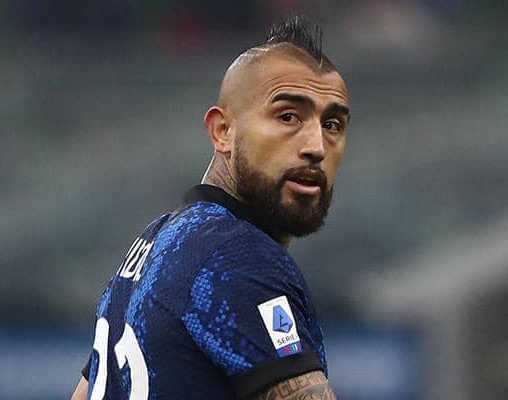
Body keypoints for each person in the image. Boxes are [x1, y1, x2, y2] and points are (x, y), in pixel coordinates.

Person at [71, 16, 350, 400]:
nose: (316, 146)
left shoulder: (153, 244)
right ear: (223, 131)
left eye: (332, 124)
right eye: (288, 116)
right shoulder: (235, 257)